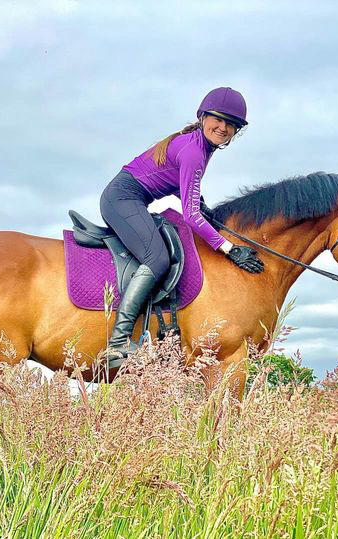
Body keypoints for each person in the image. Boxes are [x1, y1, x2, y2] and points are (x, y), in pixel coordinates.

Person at [100, 87, 264, 361]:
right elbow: (190, 216)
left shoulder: (202, 145)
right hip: (122, 198)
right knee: (157, 259)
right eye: (218, 119)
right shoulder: (194, 151)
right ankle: (118, 341)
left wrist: (204, 207)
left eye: (231, 124)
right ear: (203, 117)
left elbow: (181, 187)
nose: (223, 128)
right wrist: (229, 248)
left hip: (130, 197)